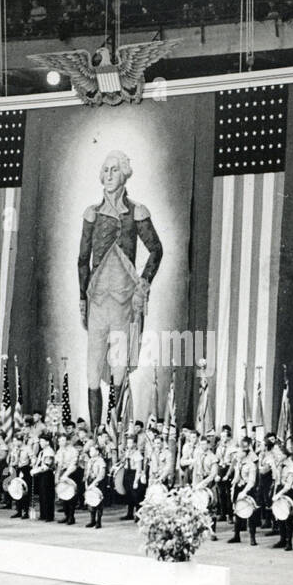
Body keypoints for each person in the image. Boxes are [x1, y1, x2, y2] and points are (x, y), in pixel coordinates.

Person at [79, 150, 164, 430]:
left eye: (114, 169)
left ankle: (113, 433)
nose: (108, 175)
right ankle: (94, 434)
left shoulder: (137, 211)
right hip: (97, 302)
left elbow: (155, 250)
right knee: (92, 371)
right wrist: (82, 298)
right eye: (105, 170)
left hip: (124, 303)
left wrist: (143, 284)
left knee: (118, 370)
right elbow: (82, 259)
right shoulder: (91, 214)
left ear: (125, 173)